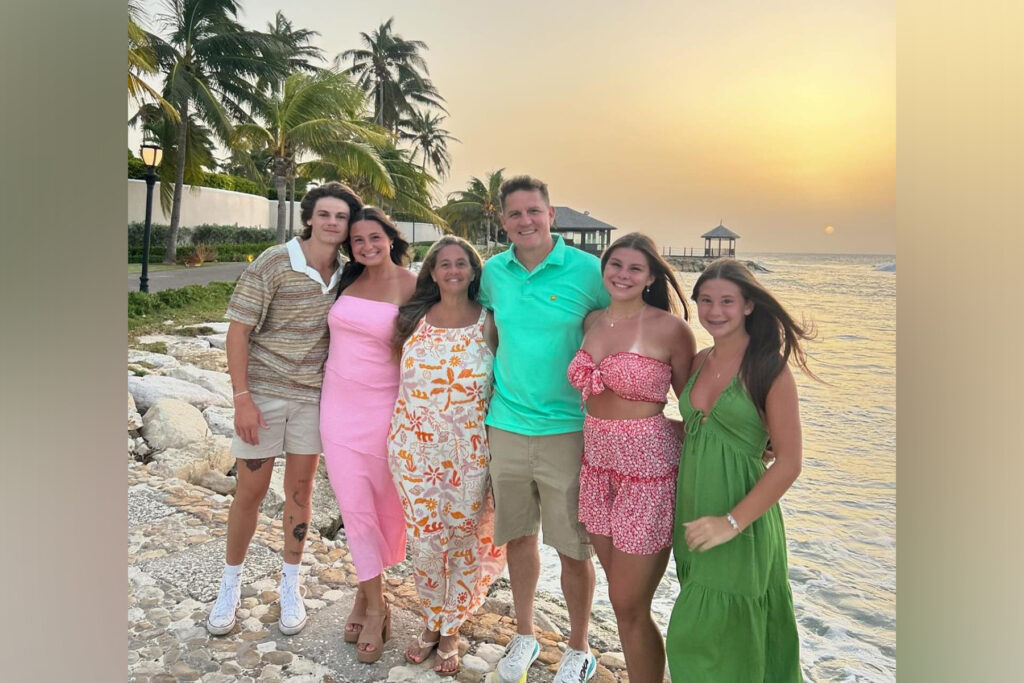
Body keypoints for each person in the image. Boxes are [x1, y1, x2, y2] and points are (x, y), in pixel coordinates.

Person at [206, 182, 364, 637]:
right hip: (265, 397)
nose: (334, 223)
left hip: (315, 399)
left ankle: (289, 585)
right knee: (250, 493)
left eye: (342, 217)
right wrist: (242, 400)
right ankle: (229, 584)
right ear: (310, 217)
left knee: (300, 494)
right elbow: (238, 332)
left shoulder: (349, 273)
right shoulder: (275, 261)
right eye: (326, 215)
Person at [478, 175, 610, 683]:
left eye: (534, 211)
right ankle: (525, 634)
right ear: (503, 221)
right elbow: (485, 328)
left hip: (570, 429)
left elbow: (628, 326)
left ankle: (580, 647)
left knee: (573, 547)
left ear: (551, 214)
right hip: (505, 424)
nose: (525, 221)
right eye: (515, 214)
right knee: (517, 537)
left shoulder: (589, 271)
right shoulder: (493, 273)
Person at [666, 257, 814, 682]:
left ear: (749, 305)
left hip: (741, 522)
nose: (715, 310)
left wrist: (731, 522)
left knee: (702, 636)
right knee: (714, 636)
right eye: (706, 300)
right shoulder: (698, 361)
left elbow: (789, 462)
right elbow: (700, 433)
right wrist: (633, 424)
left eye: (727, 301)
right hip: (694, 512)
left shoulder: (769, 369)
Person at [566, 232, 695, 683]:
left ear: (651, 277)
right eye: (615, 264)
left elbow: (694, 403)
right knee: (624, 605)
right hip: (597, 469)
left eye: (634, 268)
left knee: (628, 602)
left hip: (649, 475)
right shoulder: (592, 321)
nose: (622, 274)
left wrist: (754, 439)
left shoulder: (670, 328)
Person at [387, 236, 506, 676]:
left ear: (474, 272)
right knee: (424, 543)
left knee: (462, 541)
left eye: (461, 264)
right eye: (444, 264)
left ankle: (450, 626)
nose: (453, 270)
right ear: (432, 272)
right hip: (412, 450)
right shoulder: (412, 319)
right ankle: (431, 618)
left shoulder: (490, 323)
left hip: (470, 454)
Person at [320, 207, 417, 663]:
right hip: (337, 407)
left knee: (381, 504)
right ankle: (376, 608)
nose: (367, 246)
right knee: (354, 505)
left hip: (385, 409)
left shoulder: (416, 285)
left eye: (374, 237)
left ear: (389, 238)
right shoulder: (346, 281)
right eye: (357, 241)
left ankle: (365, 594)